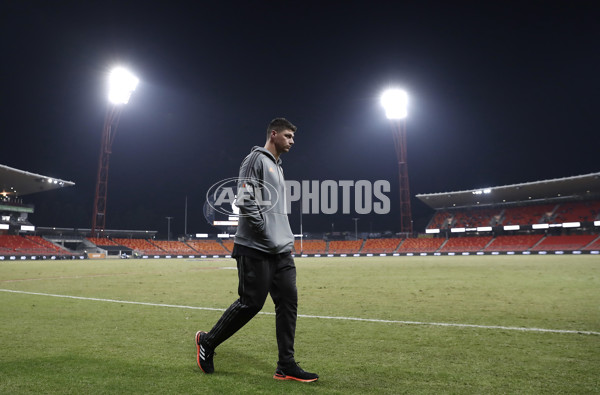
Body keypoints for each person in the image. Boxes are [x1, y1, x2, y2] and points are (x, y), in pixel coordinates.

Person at [195, 118, 319, 382]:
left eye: (293, 137)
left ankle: (285, 365)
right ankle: (208, 341)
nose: (292, 141)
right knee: (251, 304)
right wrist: (266, 232)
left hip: (281, 250)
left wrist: (283, 239)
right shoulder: (255, 159)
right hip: (255, 247)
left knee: (288, 303)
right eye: (287, 136)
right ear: (273, 135)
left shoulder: (277, 167)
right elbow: (245, 198)